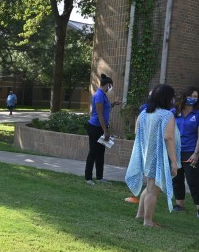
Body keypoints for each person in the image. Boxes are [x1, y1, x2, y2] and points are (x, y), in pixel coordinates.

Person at [125, 84, 180, 227]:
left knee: (149, 187)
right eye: (172, 96)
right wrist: (174, 162)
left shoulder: (144, 113)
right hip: (158, 157)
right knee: (153, 191)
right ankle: (148, 221)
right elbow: (169, 138)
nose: (173, 99)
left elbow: (137, 132)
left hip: (146, 155)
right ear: (167, 98)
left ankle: (140, 215)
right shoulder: (167, 115)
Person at [84, 74, 122, 185]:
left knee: (100, 153)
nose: (111, 88)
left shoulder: (103, 95)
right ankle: (88, 178)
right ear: (107, 85)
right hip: (95, 127)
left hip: (101, 127)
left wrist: (113, 103)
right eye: (111, 86)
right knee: (93, 153)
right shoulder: (99, 95)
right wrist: (105, 130)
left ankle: (100, 178)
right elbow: (99, 114)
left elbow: (106, 108)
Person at [172, 86, 199, 217]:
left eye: (195, 97)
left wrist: (196, 153)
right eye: (191, 96)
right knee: (177, 179)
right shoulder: (174, 112)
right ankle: (179, 205)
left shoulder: (197, 114)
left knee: (193, 180)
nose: (193, 99)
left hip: (191, 151)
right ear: (185, 96)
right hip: (176, 150)